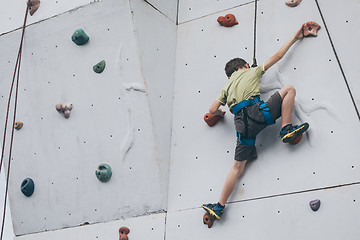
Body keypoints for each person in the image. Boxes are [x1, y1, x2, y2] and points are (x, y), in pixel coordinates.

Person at [202, 24, 309, 221]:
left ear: (229, 75)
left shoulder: (226, 87)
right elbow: (277, 56)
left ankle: (219, 206)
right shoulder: (250, 72)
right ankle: (286, 128)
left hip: (242, 128)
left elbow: (211, 110)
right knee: (289, 89)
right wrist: (296, 36)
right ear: (242, 67)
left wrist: (220, 113)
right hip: (259, 114)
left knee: (237, 167)